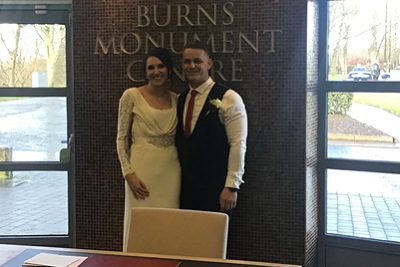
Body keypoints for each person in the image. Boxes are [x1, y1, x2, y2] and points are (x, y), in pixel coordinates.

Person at [116, 47, 181, 251]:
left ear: (169, 69)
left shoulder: (177, 100)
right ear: (145, 72)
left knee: (169, 225)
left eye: (161, 66)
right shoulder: (131, 96)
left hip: (171, 170)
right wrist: (128, 173)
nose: (156, 71)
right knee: (140, 225)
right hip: (141, 171)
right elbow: (121, 139)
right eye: (150, 67)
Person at [176, 41, 248, 213]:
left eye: (197, 61)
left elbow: (238, 143)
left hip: (217, 189)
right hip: (186, 189)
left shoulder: (229, 97)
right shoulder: (181, 98)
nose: (192, 65)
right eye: (187, 62)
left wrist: (231, 186)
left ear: (209, 64)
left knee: (214, 239)